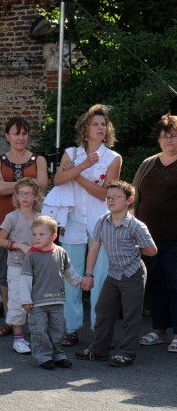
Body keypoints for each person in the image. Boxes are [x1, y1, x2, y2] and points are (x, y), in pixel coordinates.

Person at [51, 104, 122, 347]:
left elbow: (105, 194)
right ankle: (71, 329)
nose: (101, 128)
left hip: (100, 223)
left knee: (100, 278)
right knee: (72, 278)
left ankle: (100, 331)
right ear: (85, 129)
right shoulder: (71, 153)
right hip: (72, 222)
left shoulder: (113, 158)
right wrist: (81, 167)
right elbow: (58, 180)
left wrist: (77, 176)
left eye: (104, 124)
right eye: (96, 124)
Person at [75, 181, 157, 366]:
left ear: (129, 200)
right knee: (103, 311)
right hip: (113, 274)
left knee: (130, 315)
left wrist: (134, 249)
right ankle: (100, 349)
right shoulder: (102, 222)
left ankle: (126, 353)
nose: (111, 200)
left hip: (133, 274)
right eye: (108, 197)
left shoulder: (137, 226)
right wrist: (88, 274)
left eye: (116, 197)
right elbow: (94, 248)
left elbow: (152, 251)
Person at [0, 117, 48, 337]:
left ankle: (33, 319)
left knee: (34, 273)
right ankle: (10, 320)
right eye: (16, 133)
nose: (21, 138)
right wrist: (26, 184)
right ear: (7, 136)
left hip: (33, 225)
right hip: (4, 222)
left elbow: (41, 186)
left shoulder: (38, 159)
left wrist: (8, 186)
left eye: (24, 133)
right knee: (6, 275)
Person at [133, 113, 177, 353]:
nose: (168, 140)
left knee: (175, 283)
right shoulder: (148, 163)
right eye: (164, 136)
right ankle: (159, 330)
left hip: (175, 239)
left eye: (173, 135)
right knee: (156, 283)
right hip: (149, 239)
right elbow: (135, 194)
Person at [20, 216, 86, 369]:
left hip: (57, 300)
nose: (37, 238)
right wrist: (25, 299)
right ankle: (43, 357)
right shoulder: (31, 255)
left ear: (53, 236)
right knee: (39, 330)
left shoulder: (60, 252)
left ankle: (58, 354)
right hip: (37, 302)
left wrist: (79, 282)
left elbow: (70, 272)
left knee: (58, 329)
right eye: (34, 234)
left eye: (41, 234)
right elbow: (25, 279)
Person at [0, 178, 44, 354]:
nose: (25, 197)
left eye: (28, 193)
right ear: (16, 196)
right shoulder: (12, 217)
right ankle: (18, 338)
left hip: (37, 266)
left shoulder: (41, 218)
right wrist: (18, 245)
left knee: (37, 300)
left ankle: (39, 336)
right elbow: (1, 240)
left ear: (35, 196)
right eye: (21, 193)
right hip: (16, 265)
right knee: (17, 300)